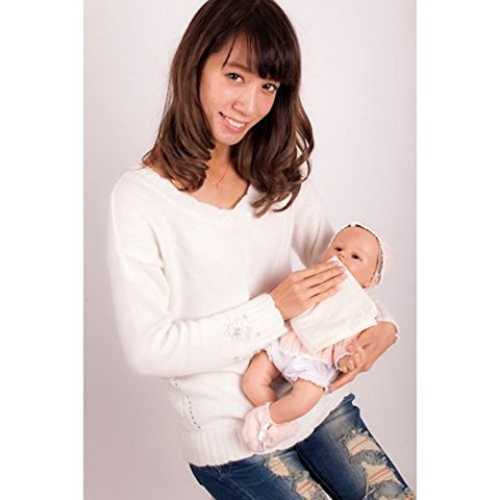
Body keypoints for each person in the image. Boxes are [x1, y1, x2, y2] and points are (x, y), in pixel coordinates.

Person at [107, 0, 414, 498]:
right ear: (195, 65)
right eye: (235, 76)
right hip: (231, 435)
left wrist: (383, 329)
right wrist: (274, 310)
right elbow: (149, 348)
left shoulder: (278, 174)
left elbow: (341, 274)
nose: (249, 105)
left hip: (315, 401)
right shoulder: (141, 198)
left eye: (268, 86)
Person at [241, 224, 393, 453]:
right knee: (251, 381)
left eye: (355, 257)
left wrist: (347, 360)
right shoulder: (308, 280)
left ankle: (267, 417)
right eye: (338, 248)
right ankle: (282, 421)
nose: (342, 256)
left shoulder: (360, 312)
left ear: (371, 279)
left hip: (316, 361)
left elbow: (350, 344)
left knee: (304, 400)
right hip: (284, 344)